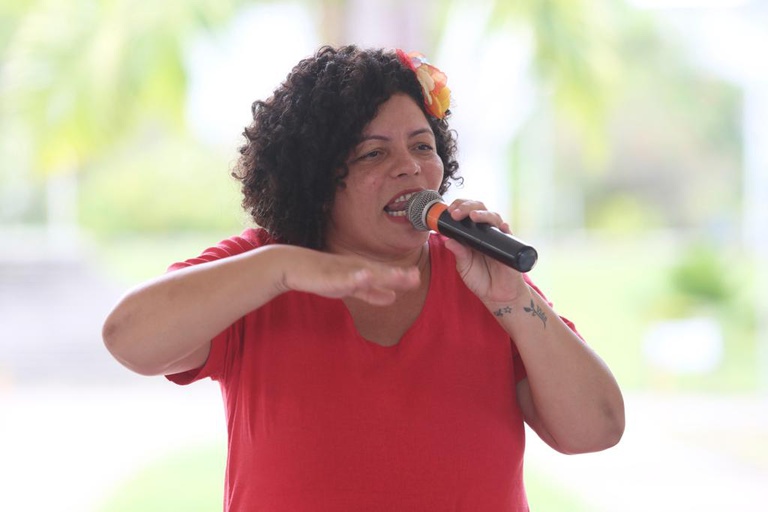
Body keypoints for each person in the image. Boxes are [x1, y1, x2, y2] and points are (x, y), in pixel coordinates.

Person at [102, 45, 624, 511]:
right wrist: (280, 269)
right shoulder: (262, 266)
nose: (410, 168)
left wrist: (513, 297)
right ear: (316, 178)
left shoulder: (483, 276)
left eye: (422, 146)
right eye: (374, 152)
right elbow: (129, 339)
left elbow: (596, 429)